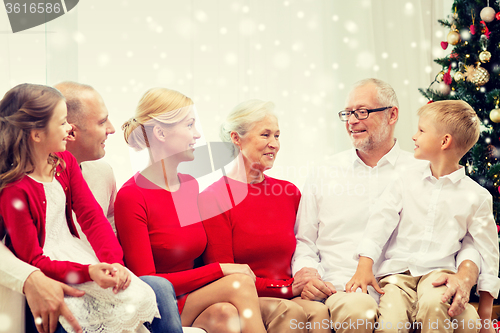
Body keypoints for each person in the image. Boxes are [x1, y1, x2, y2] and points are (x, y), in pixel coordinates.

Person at [291, 78, 481, 333]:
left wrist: (465, 277)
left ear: (392, 115)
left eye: (362, 112)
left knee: (467, 319)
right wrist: (308, 273)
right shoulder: (324, 172)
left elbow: (466, 232)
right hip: (346, 287)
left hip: (413, 286)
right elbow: (304, 240)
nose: (351, 121)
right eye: (347, 113)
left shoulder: (425, 169)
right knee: (360, 310)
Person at [0, 84, 158, 333]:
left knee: (141, 296)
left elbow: (92, 217)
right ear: (37, 134)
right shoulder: (14, 192)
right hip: (54, 271)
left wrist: (115, 262)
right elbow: (33, 259)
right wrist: (89, 271)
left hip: (79, 259)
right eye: (63, 122)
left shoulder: (65, 163)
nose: (70, 128)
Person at [115, 88, 267, 333]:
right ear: (161, 133)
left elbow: (196, 256)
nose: (197, 135)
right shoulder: (132, 195)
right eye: (189, 125)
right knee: (239, 283)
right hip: (160, 304)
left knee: (225, 315)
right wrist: (221, 269)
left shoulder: (189, 184)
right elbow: (148, 283)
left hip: (192, 296)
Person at [346, 100, 499, 333]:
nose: (413, 136)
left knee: (434, 306)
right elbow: (381, 220)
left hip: (439, 276)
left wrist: (486, 313)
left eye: (421, 130)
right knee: (390, 325)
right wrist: (364, 265)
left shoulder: (477, 197)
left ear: (444, 141)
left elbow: (487, 252)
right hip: (397, 276)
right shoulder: (404, 179)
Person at [55, 81, 183, 333]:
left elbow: (107, 231)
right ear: (69, 130)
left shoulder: (103, 174)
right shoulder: (31, 182)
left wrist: (115, 267)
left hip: (103, 278)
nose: (113, 129)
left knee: (159, 287)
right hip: (64, 282)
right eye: (102, 122)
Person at [198, 99, 329, 333]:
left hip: (287, 293)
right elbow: (223, 277)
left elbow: (305, 248)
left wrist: (309, 278)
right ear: (236, 138)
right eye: (265, 135)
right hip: (244, 298)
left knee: (319, 311)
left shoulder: (289, 192)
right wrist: (288, 289)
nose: (274, 144)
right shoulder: (214, 198)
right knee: (289, 311)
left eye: (277, 136)